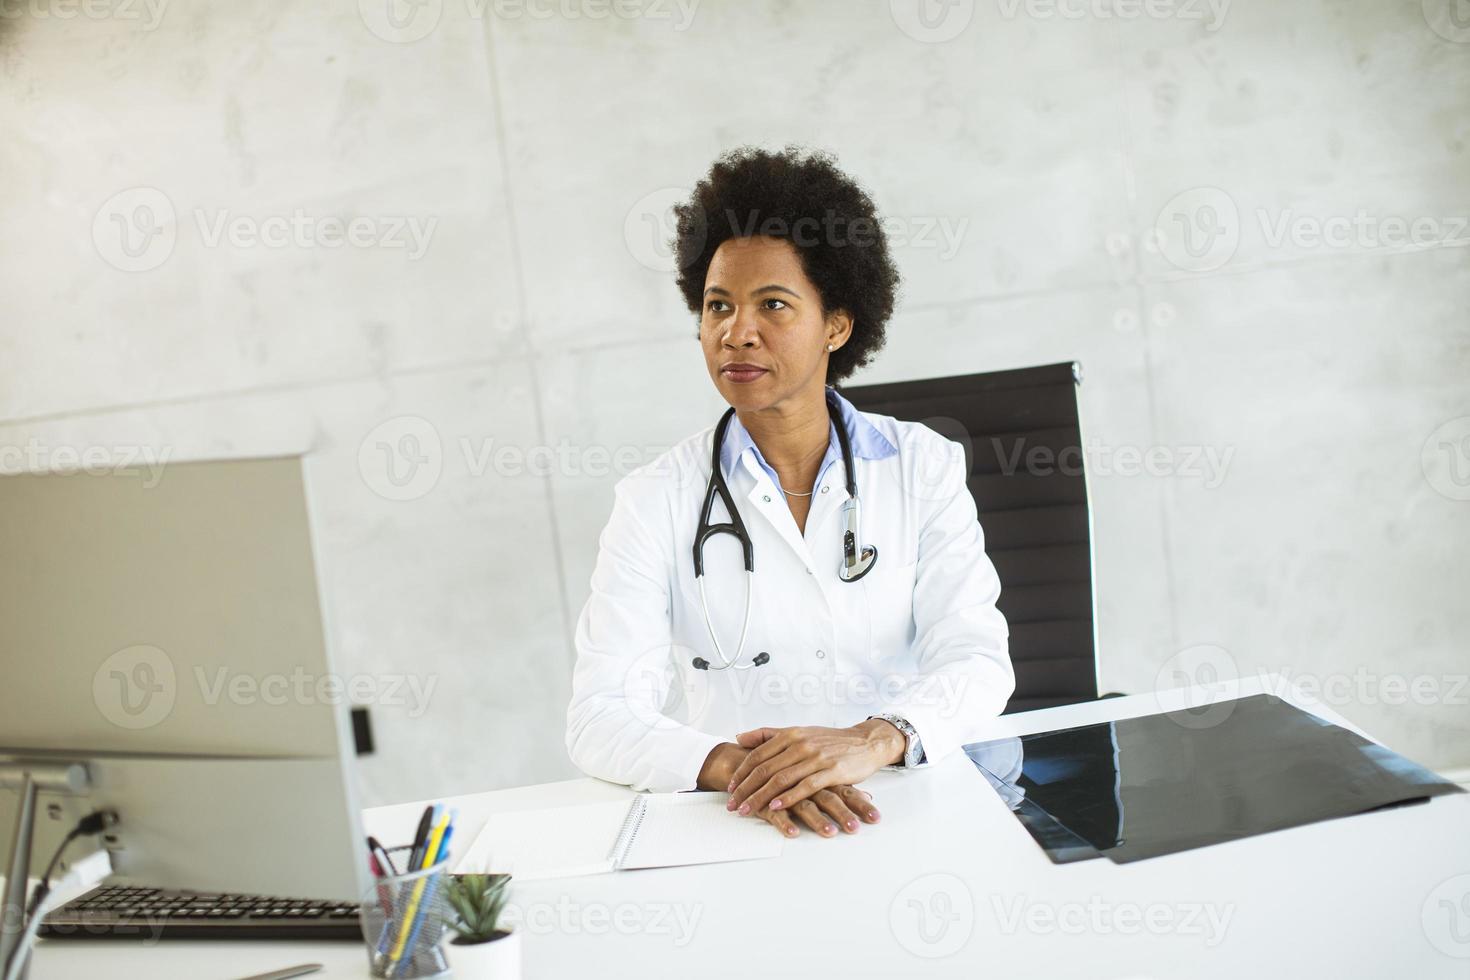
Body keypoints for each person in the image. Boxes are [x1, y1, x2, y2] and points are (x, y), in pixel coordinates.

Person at [566, 146, 1012, 839]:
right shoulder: (655, 499)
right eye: (718, 306)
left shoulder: (921, 466)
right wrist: (740, 766)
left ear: (837, 324)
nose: (735, 332)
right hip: (742, 825)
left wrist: (873, 738)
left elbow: (978, 662)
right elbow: (600, 715)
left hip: (903, 808)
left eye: (772, 304)